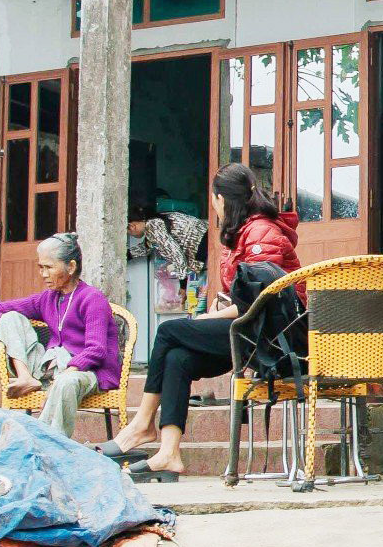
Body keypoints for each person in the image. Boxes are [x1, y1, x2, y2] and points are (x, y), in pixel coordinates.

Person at [103, 164, 298, 479]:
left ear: (221, 199)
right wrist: (218, 308)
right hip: (248, 331)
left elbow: (263, 300)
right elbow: (241, 294)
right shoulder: (241, 233)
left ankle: (141, 424)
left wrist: (212, 315)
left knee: (168, 331)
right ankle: (169, 454)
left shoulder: (262, 231)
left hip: (268, 337)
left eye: (213, 199)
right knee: (179, 358)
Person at [0, 232, 122, 438]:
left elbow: (97, 350)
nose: (43, 274)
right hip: (50, 367)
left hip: (88, 372)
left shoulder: (92, 298)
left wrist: (67, 372)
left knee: (66, 383)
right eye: (41, 267)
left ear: (71, 267)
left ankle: (49, 442)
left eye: (49, 267)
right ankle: (25, 377)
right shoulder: (48, 298)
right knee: (10, 318)